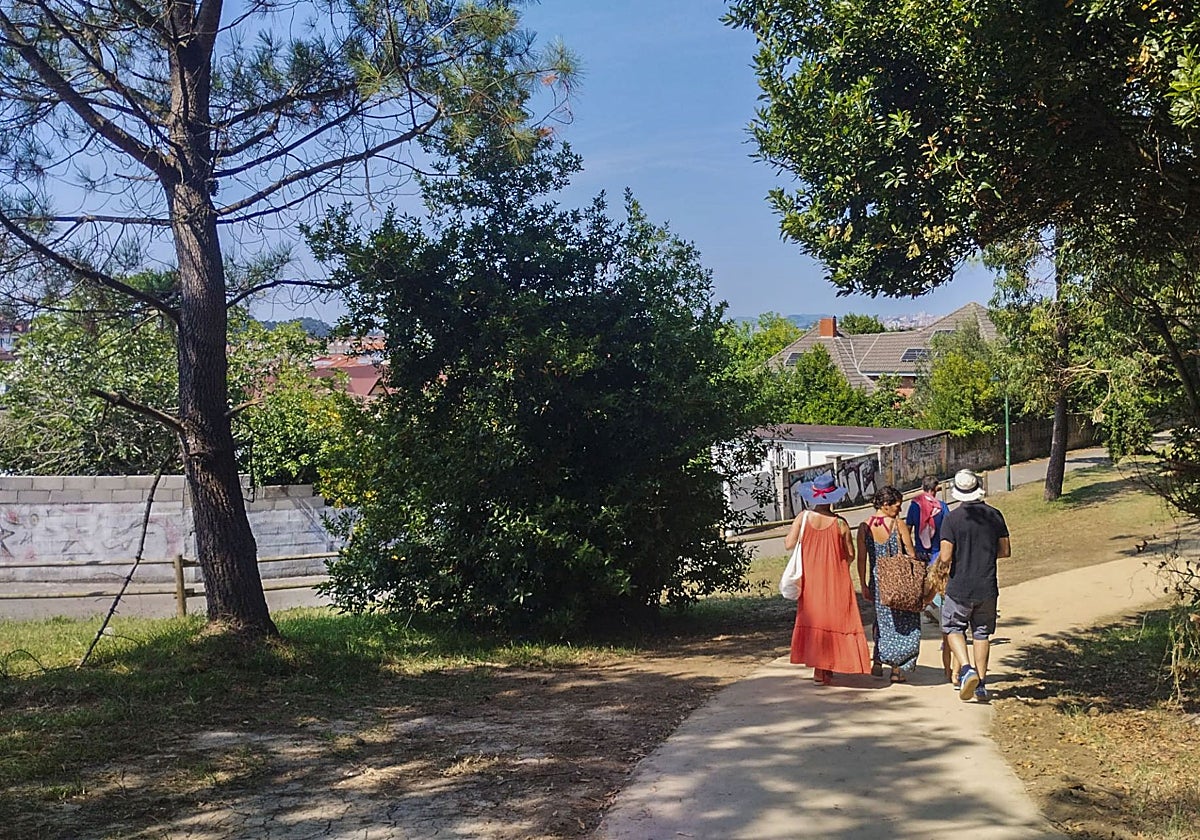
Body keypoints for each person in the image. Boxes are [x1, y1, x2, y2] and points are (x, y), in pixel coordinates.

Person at [786, 473, 871, 685]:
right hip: (836, 578)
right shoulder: (840, 524)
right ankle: (832, 664)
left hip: (811, 579)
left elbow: (789, 543)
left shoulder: (803, 518)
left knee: (815, 618)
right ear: (832, 498)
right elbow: (850, 554)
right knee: (837, 617)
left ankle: (819, 669)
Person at [936, 469, 1011, 702]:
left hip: (960, 586)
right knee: (981, 633)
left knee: (953, 627)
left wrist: (941, 566)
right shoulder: (995, 515)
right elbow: (1005, 551)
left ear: (957, 492)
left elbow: (946, 556)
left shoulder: (952, 519)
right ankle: (981, 684)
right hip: (987, 585)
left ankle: (966, 669)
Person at [856, 486, 920, 683]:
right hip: (899, 581)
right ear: (885, 505)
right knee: (903, 623)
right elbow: (911, 553)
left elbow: (861, 558)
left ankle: (877, 661)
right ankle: (896, 669)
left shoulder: (864, 527)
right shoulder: (897, 524)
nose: (899, 510)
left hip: (877, 581)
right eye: (897, 506)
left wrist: (864, 584)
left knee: (883, 622)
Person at [904, 475, 958, 682]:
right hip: (938, 551)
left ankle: (928, 609)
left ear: (922, 487)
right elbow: (949, 529)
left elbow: (908, 528)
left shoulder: (915, 505)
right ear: (936, 488)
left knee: (924, 587)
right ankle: (943, 621)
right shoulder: (943, 506)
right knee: (941, 587)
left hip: (920, 551)